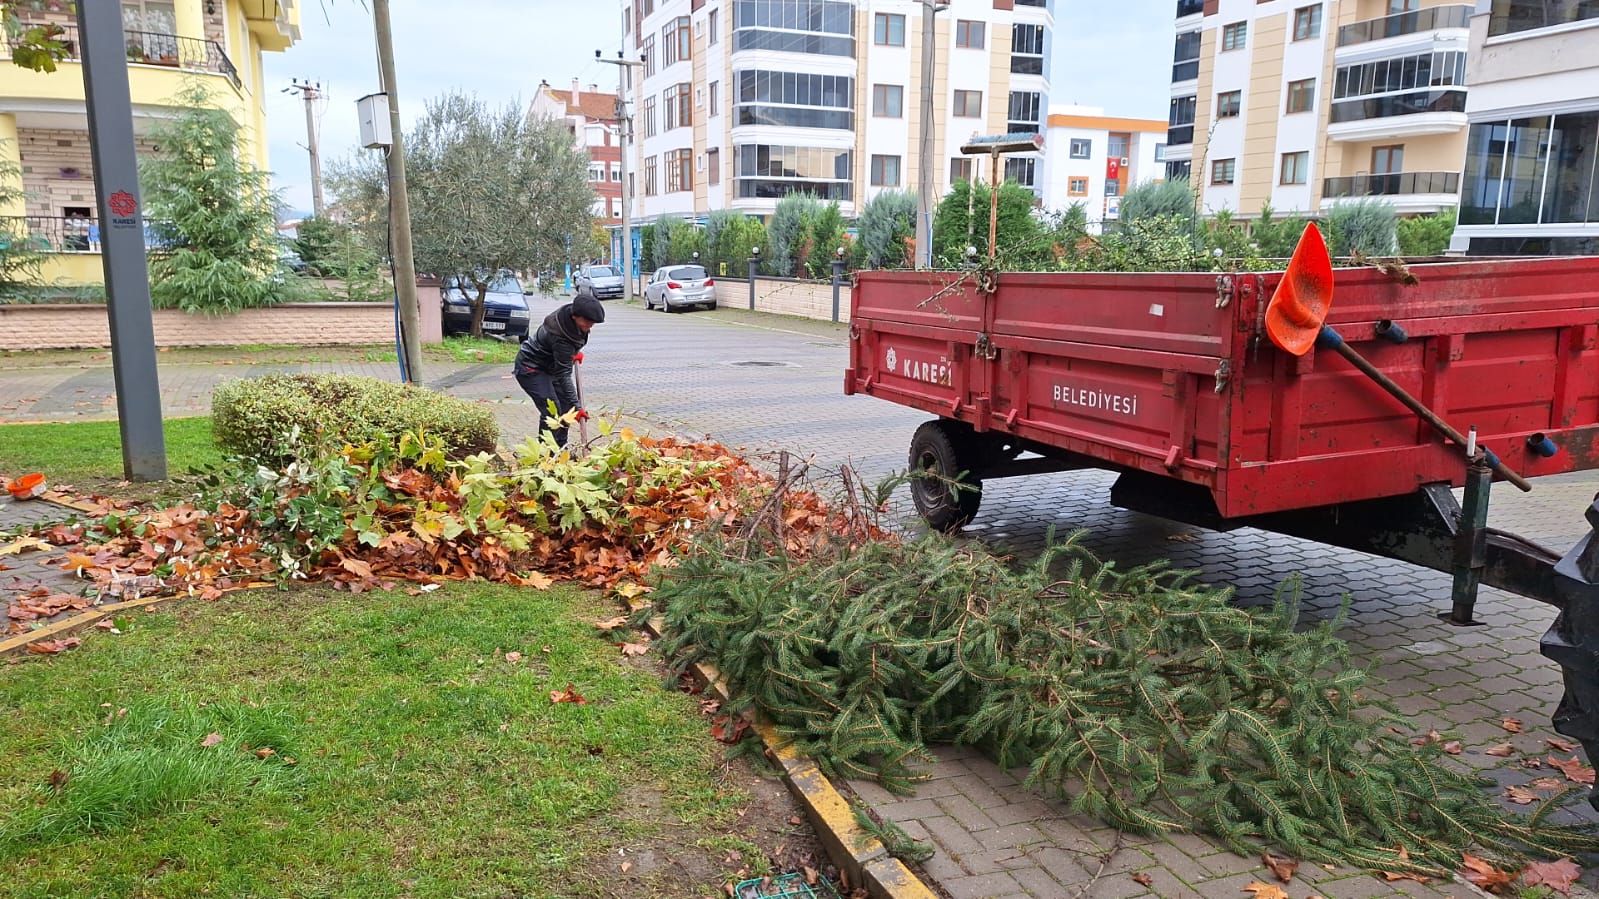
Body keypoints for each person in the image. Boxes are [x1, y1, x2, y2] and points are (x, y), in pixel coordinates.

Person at [513, 294, 605, 447]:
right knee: (552, 411)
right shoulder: (560, 335)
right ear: (575, 316)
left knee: (566, 408)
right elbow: (564, 375)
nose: (590, 326)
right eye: (588, 322)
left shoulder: (572, 319)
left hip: (550, 366)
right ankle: (545, 453)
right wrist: (578, 406)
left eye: (593, 323)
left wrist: (572, 354)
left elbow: (569, 347)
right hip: (531, 367)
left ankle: (561, 448)